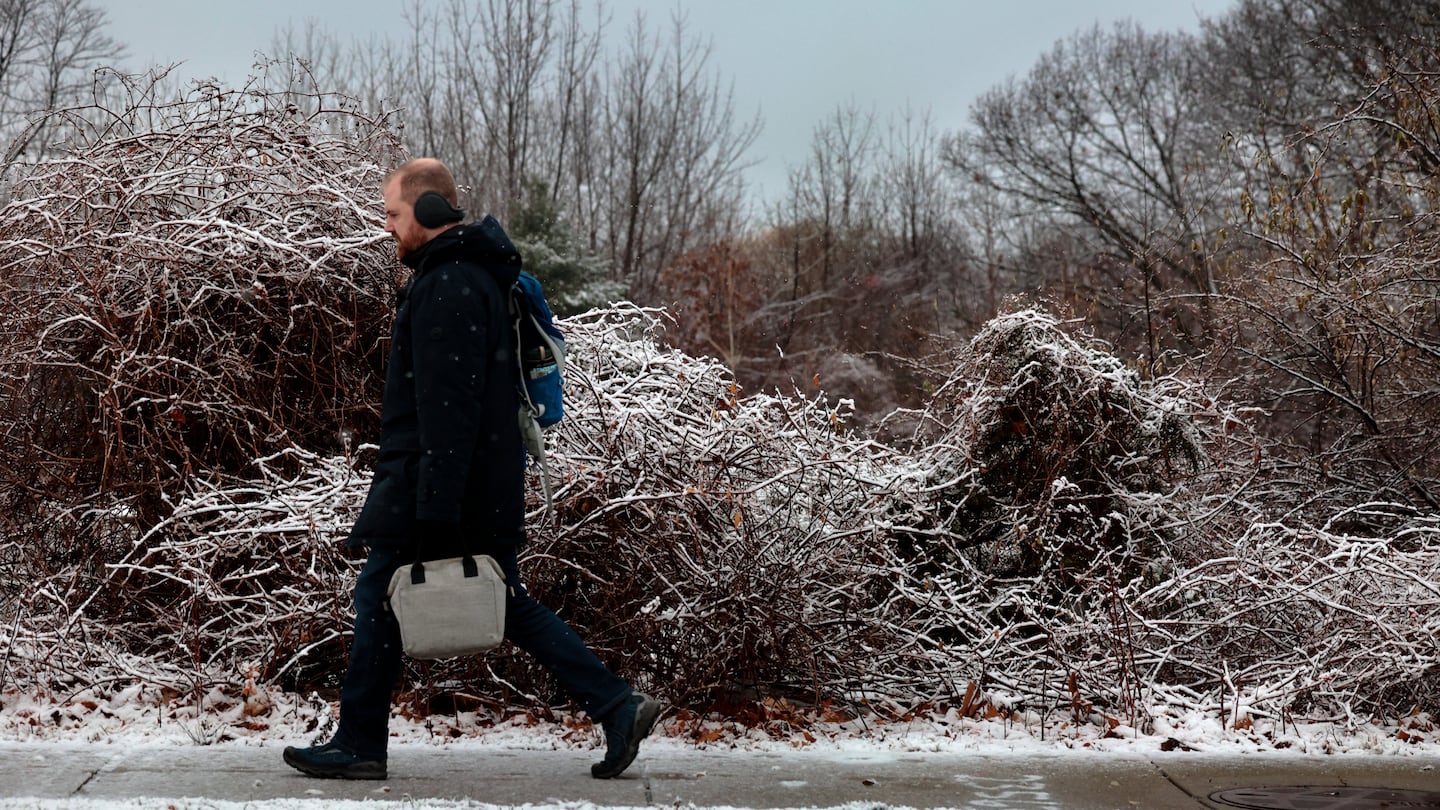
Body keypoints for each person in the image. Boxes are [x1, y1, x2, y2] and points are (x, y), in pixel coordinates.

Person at [283, 158, 660, 781]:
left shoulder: (449, 285)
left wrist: (435, 509)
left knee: (380, 597)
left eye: (394, 214)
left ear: (429, 213)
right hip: (474, 481)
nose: (387, 227)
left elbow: (448, 409)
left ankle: (359, 744)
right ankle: (618, 705)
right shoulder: (470, 276)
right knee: (500, 601)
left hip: (440, 486)